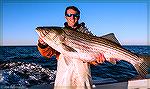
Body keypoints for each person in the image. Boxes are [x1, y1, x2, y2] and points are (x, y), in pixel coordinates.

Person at [37, 6, 106, 89]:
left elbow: (91, 59)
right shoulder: (59, 36)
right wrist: (42, 44)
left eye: (75, 15)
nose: (72, 17)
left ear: (79, 17)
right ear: (65, 17)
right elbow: (47, 54)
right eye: (69, 15)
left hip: (83, 79)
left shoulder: (85, 34)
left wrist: (97, 60)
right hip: (64, 78)